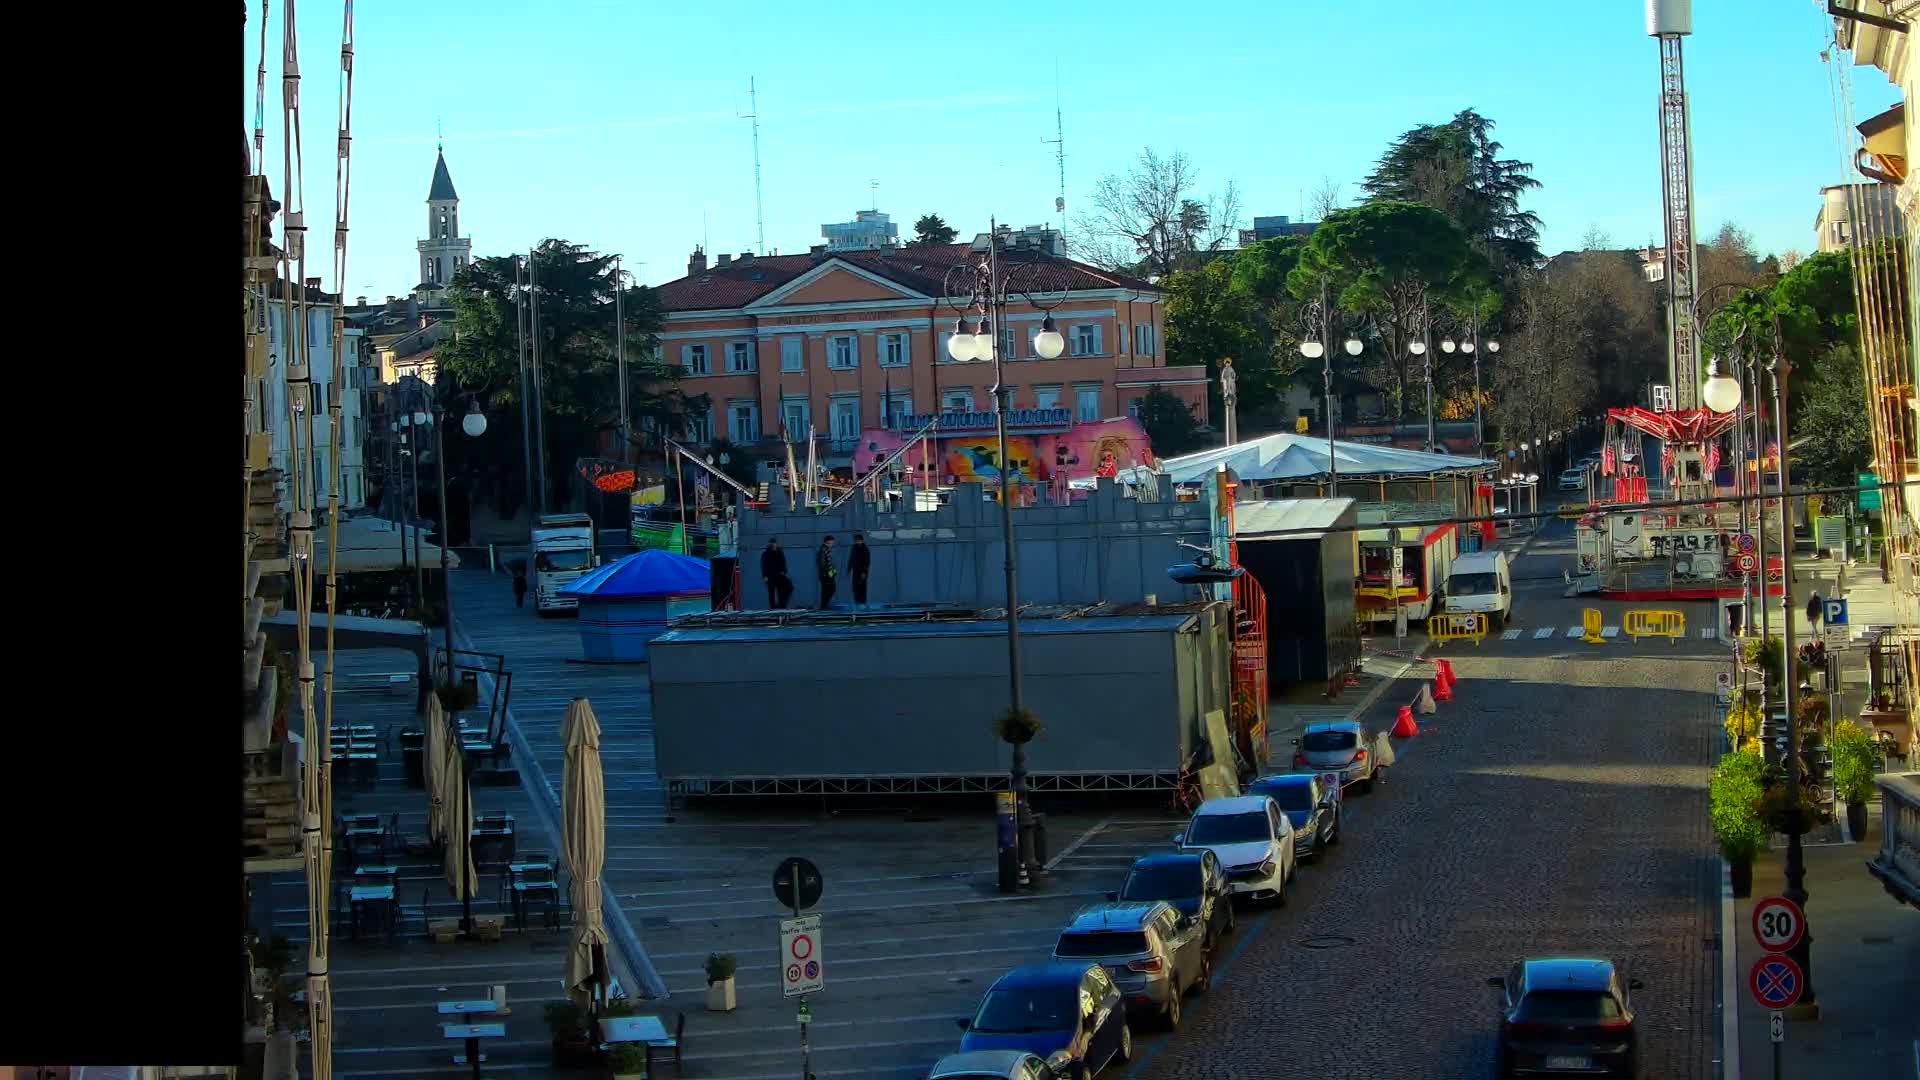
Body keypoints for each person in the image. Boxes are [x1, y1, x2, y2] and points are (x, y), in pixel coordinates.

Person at [712, 506, 740, 610]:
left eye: (729, 514)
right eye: (727, 514)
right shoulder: (725, 526)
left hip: (735, 551)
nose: (728, 516)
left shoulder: (736, 525)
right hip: (727, 552)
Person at [761, 537, 791, 609]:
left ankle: (781, 606)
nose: (773, 546)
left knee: (780, 591)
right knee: (771, 592)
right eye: (772, 545)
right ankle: (773, 607)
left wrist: (784, 571)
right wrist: (765, 576)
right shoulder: (766, 554)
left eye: (774, 545)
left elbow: (783, 563)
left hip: (779, 575)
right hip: (770, 575)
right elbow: (763, 566)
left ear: (776, 545)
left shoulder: (780, 552)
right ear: (770, 545)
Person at [849, 532, 872, 606]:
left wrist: (864, 572)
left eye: (858, 540)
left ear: (862, 540)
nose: (857, 542)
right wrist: (849, 569)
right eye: (856, 541)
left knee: (862, 587)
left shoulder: (865, 549)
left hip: (862, 571)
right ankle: (857, 603)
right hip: (855, 571)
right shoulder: (853, 548)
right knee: (855, 588)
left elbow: (867, 561)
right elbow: (851, 559)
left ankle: (863, 603)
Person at [817, 535, 838, 610]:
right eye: (830, 543)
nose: (831, 545)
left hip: (827, 574)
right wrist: (830, 572)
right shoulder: (823, 551)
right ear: (826, 542)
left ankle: (824, 606)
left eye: (832, 543)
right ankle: (824, 606)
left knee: (827, 590)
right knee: (829, 590)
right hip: (825, 575)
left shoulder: (826, 550)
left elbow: (829, 563)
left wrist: (833, 571)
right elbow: (822, 564)